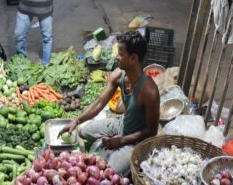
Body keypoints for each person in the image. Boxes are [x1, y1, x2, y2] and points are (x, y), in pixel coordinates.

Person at [59, 31, 160, 176]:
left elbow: (151, 132)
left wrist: (121, 141)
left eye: (120, 54)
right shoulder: (119, 75)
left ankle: (118, 155)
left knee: (107, 174)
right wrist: (77, 120)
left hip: (136, 141)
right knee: (83, 131)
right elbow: (100, 102)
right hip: (122, 123)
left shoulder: (150, 91)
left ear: (133, 58)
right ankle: (106, 143)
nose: (116, 57)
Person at [14, 0, 53, 65]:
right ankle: (21, 60)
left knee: (47, 37)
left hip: (45, 7)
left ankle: (46, 63)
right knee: (19, 35)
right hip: (25, 6)